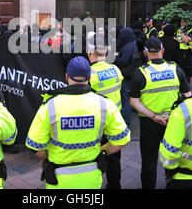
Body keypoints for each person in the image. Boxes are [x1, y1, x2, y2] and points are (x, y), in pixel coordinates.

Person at [26, 56, 130, 189]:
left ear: (67, 76)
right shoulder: (104, 104)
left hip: (59, 180)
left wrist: (48, 158)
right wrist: (101, 152)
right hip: (91, 179)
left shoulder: (50, 106)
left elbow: (34, 145)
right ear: (90, 78)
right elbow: (123, 139)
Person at [129, 38, 191, 189]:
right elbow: (188, 95)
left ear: (145, 53)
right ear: (162, 51)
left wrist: (155, 117)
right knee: (172, 155)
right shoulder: (175, 69)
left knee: (149, 160)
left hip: (150, 123)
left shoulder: (140, 73)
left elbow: (134, 101)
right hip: (173, 122)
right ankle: (172, 184)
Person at [88, 33, 124, 189]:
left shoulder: (89, 73)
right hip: (114, 119)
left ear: (90, 51)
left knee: (94, 153)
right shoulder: (115, 69)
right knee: (114, 155)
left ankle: (95, 183)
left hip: (97, 122)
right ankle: (115, 185)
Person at [114, 27, 140, 126]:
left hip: (126, 76)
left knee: (125, 100)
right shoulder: (132, 44)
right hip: (130, 74)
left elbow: (124, 61)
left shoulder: (128, 46)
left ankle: (126, 123)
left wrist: (115, 57)